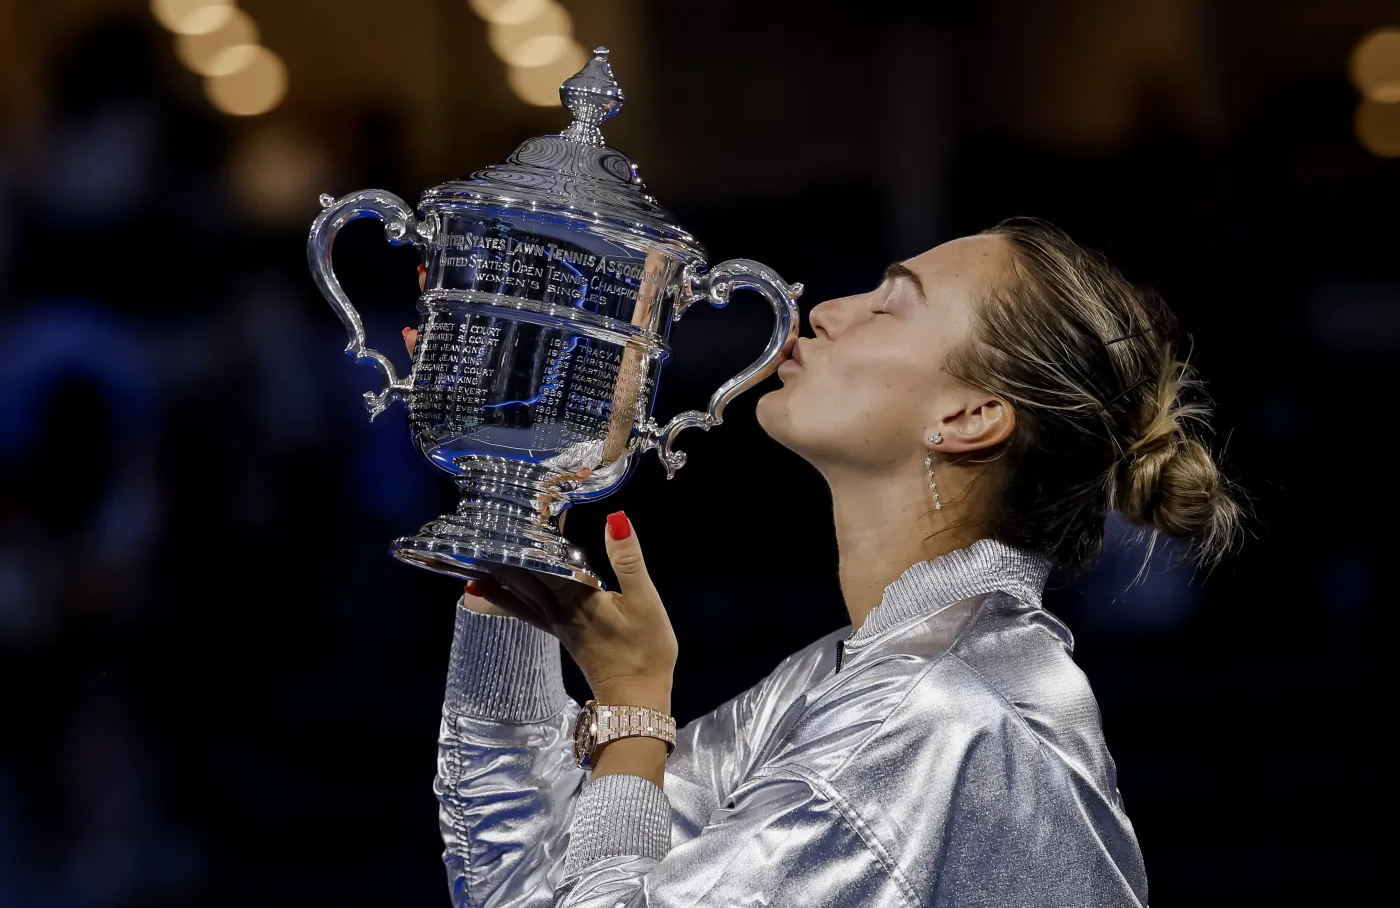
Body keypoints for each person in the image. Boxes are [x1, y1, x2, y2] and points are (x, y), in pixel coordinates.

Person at [411, 218, 1242, 907]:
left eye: (890, 307)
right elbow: (523, 886)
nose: (830, 309)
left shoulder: (930, 710)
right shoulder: (857, 676)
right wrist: (517, 486)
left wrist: (633, 708)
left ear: (970, 416)